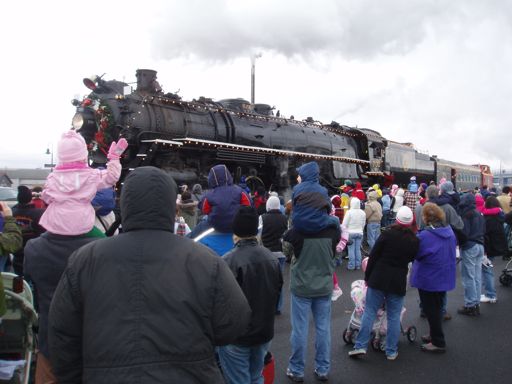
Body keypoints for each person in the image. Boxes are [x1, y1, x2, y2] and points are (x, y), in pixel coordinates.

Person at [48, 166, 251, 383]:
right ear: (172, 208)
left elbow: (61, 334)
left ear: (124, 205)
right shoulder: (204, 259)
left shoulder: (83, 261)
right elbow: (235, 321)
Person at [284, 161, 341, 382]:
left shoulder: (296, 231)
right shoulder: (333, 230)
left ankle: (296, 370)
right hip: (324, 286)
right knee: (323, 329)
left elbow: (287, 252)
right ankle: (323, 368)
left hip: (301, 286)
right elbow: (334, 255)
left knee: (299, 330)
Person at [218, 206, 283, 384]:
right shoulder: (271, 258)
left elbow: (221, 302)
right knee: (256, 376)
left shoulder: (228, 261)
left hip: (237, 336)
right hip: (264, 332)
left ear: (235, 230)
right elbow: (277, 294)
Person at [349, 206, 419, 360]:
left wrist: (368, 277)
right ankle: (391, 350)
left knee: (370, 311)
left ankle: (360, 345)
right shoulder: (414, 241)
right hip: (398, 281)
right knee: (393, 316)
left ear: (397, 219)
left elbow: (373, 256)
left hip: (379, 277)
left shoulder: (387, 235)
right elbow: (412, 260)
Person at [39, 130, 127, 236]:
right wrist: (114, 158)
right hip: (82, 222)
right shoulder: (91, 176)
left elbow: (46, 197)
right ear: (83, 154)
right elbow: (112, 177)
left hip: (56, 223)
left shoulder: (53, 177)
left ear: (60, 154)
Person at [411, 203, 456, 353]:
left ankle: (438, 341)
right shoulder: (449, 232)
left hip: (428, 277)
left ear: (425, 217)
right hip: (443, 274)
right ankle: (434, 335)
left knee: (431, 309)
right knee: (437, 307)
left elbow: (417, 254)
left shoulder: (425, 236)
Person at [197, 164, 251, 256]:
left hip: (214, 226)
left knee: (200, 227)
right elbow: (248, 206)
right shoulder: (240, 191)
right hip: (235, 228)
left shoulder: (209, 195)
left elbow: (204, 210)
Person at [457, 193, 486, 316]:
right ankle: (476, 303)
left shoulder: (466, 214)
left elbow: (464, 233)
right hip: (480, 245)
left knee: (468, 277)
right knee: (477, 276)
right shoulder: (479, 213)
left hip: (470, 246)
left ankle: (471, 305)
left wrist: (459, 244)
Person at [260, 195, 288, 315]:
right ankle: (278, 307)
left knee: (266, 281)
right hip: (280, 253)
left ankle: (267, 306)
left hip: (266, 253)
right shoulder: (284, 218)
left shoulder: (262, 217)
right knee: (279, 281)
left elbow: (259, 235)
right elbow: (286, 235)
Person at [11, 185, 45, 275]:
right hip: (34, 252)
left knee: (17, 280)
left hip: (16, 251)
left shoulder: (11, 212)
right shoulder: (40, 213)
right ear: (30, 198)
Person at [481, 196, 507, 303]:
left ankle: (490, 294)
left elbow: (485, 235)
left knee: (487, 270)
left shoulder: (487, 219)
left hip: (489, 247)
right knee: (488, 269)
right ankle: (489, 293)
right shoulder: (500, 216)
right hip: (499, 246)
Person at [342, 197, 366, 270]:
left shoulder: (349, 212)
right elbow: (363, 223)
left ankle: (351, 266)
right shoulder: (363, 212)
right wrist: (361, 229)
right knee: (358, 249)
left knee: (351, 250)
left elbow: (344, 224)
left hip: (351, 233)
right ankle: (358, 265)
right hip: (360, 232)